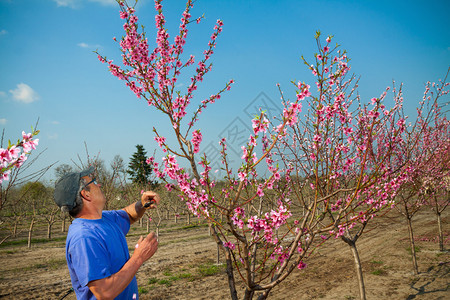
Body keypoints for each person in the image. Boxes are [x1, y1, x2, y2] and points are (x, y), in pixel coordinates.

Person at [53, 166, 159, 299]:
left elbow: (128, 214)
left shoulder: (104, 219)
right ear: (86, 195)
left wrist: (142, 204)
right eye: (94, 182)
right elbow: (105, 292)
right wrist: (139, 257)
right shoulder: (84, 238)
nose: (99, 184)